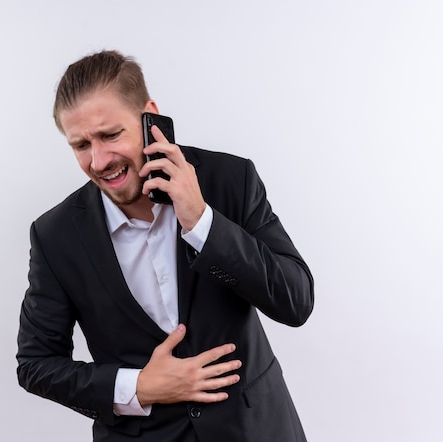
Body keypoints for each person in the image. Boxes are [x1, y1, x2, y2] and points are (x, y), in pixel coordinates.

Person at [16, 50, 314, 442]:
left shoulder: (230, 180)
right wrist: (137, 387)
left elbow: (296, 302)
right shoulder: (55, 235)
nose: (99, 160)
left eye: (110, 135)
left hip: (254, 430)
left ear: (149, 116)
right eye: (81, 145)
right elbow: (36, 365)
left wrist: (202, 221)